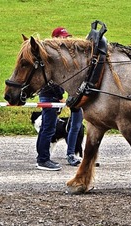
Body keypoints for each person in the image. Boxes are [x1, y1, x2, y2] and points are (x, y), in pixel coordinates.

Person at [51, 26, 84, 166]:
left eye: (67, 37)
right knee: (52, 127)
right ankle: (67, 154)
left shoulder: (69, 54)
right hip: (64, 95)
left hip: (77, 93)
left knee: (76, 125)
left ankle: (73, 154)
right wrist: (59, 96)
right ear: (55, 38)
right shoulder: (55, 57)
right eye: (63, 37)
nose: (67, 39)